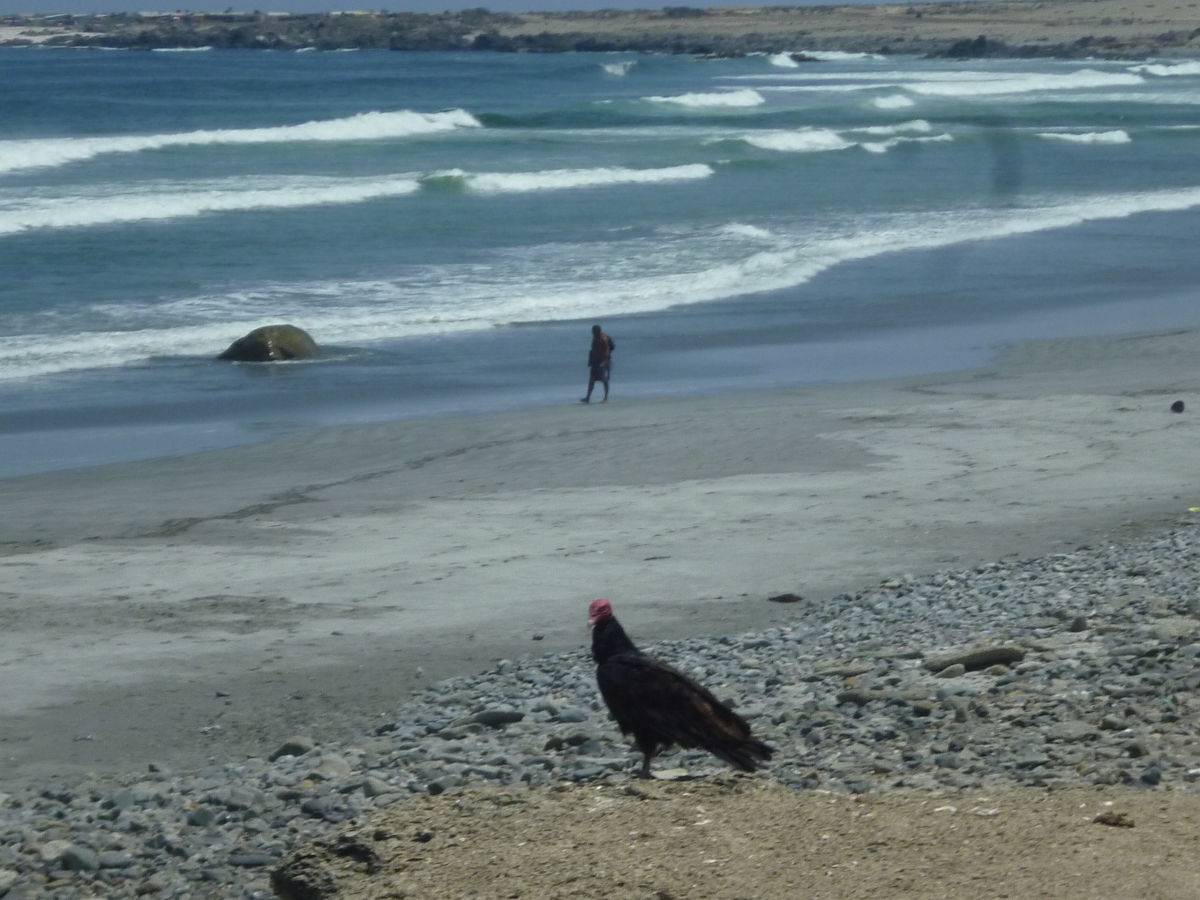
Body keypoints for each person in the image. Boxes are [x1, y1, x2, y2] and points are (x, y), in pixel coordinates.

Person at [581, 324, 615, 403]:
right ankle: (588, 397)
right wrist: (590, 360)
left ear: (598, 331)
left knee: (605, 379)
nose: (592, 333)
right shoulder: (595, 337)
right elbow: (592, 350)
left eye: (593, 331)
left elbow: (608, 350)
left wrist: (604, 362)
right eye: (592, 331)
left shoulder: (604, 339)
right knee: (592, 379)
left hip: (603, 361)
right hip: (595, 361)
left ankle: (606, 397)